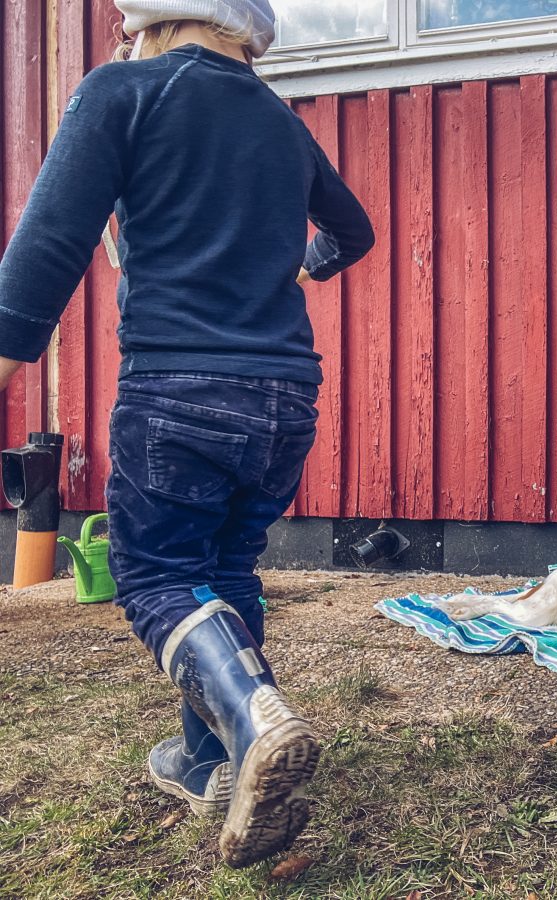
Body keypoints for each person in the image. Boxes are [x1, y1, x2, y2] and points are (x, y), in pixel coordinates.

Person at [0, 0, 374, 867]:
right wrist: (299, 265)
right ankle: (208, 760)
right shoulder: (281, 124)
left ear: (155, 23)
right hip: (285, 397)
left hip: (178, 389)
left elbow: (50, 245)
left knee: (160, 574)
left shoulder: (124, 92)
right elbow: (352, 231)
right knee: (226, 570)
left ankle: (250, 720)